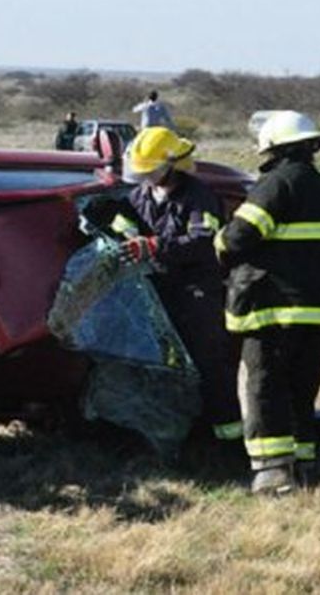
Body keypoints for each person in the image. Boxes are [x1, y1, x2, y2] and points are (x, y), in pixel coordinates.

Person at [215, 111, 320, 494]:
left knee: (265, 386)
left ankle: (272, 473)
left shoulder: (275, 184)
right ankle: (303, 465)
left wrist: (218, 242)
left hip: (275, 309)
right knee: (301, 389)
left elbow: (238, 237)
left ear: (272, 148)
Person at [107, 127, 242, 446]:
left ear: (171, 164)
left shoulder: (198, 196)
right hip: (158, 291)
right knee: (164, 365)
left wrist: (155, 246)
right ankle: (172, 432)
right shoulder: (140, 195)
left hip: (197, 292)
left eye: (151, 170)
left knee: (209, 363)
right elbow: (125, 226)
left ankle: (225, 440)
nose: (147, 177)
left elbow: (203, 241)